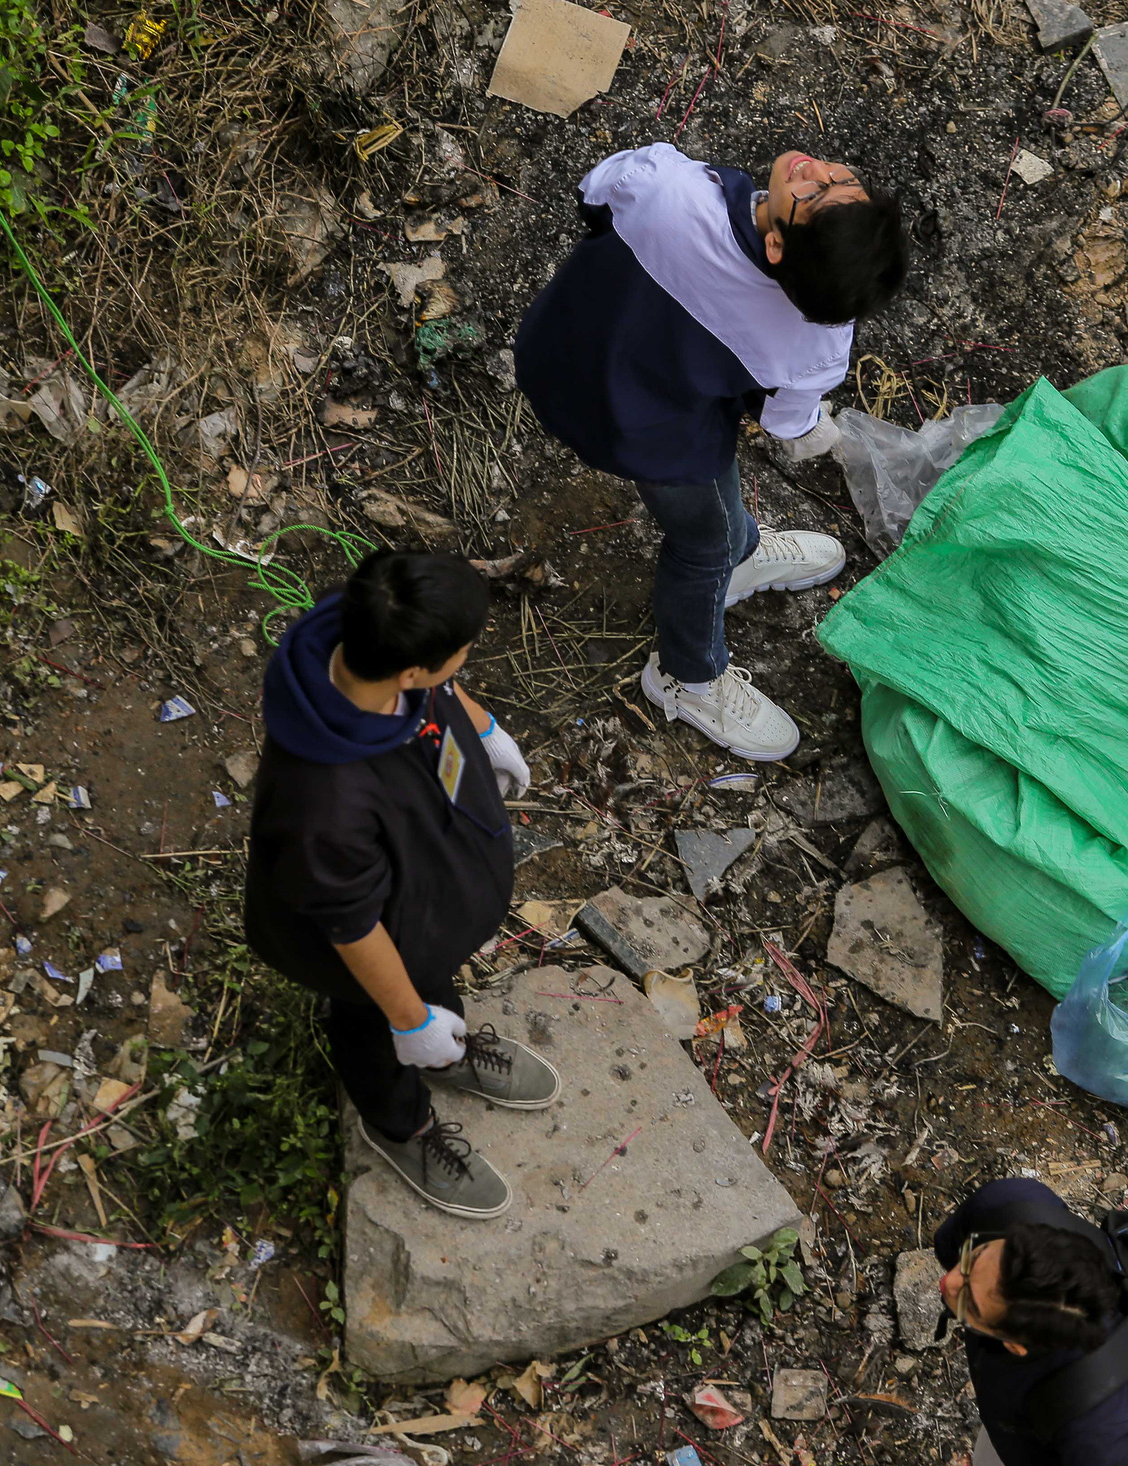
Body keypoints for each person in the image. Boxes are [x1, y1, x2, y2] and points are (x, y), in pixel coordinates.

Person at [515, 143, 910, 762]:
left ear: (778, 246)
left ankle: (742, 557)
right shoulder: (815, 343)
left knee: (719, 528)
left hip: (553, 360)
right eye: (840, 179)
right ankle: (687, 674)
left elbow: (594, 194)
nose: (817, 168)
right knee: (700, 542)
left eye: (816, 191)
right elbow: (785, 422)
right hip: (651, 438)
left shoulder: (665, 186)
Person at [243, 551, 559, 1220]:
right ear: (409, 671)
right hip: (363, 946)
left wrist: (482, 726)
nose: (462, 668)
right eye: (460, 658)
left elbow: (439, 687)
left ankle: (446, 1051)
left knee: (430, 981)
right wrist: (407, 1019)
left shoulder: (361, 625)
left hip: (421, 885)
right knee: (369, 1020)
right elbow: (354, 929)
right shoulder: (324, 807)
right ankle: (399, 1123)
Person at [936, 1178, 1128, 1466]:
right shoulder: (1009, 1203)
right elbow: (945, 1244)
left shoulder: (1100, 1437)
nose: (948, 1280)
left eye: (968, 1304)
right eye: (974, 1256)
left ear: (1016, 1345)